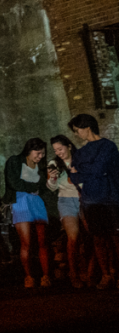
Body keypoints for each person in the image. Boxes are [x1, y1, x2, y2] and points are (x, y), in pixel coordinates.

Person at [66, 113, 119, 289]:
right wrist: (80, 172)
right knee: (98, 239)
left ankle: (115, 273)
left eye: (77, 130)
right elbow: (74, 177)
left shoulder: (107, 146)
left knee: (115, 238)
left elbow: (99, 168)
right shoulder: (81, 152)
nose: (76, 134)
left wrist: (81, 171)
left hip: (110, 198)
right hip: (90, 199)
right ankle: (106, 275)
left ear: (86, 127)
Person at [4, 137, 56, 288]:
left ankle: (46, 276)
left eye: (42, 154)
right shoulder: (15, 161)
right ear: (29, 150)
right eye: (38, 153)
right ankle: (28, 276)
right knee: (25, 242)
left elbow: (45, 187)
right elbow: (13, 182)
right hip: (20, 201)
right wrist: (34, 187)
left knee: (42, 240)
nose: (40, 157)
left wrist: (50, 181)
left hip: (37, 201)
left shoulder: (42, 166)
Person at [47, 134, 85, 287]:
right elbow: (52, 188)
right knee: (73, 237)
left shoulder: (81, 158)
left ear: (69, 146)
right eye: (55, 150)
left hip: (84, 198)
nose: (58, 153)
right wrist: (52, 179)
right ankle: (74, 273)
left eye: (60, 149)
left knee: (91, 236)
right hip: (66, 200)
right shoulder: (54, 163)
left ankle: (88, 271)